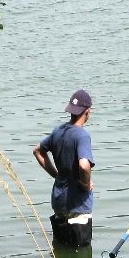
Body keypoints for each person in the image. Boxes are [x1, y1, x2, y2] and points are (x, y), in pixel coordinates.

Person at [33, 89, 95, 247]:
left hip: (58, 202)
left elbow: (37, 151)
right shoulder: (82, 135)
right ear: (87, 111)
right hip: (77, 204)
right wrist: (86, 185)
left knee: (62, 249)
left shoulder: (58, 131)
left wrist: (57, 175)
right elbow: (84, 165)